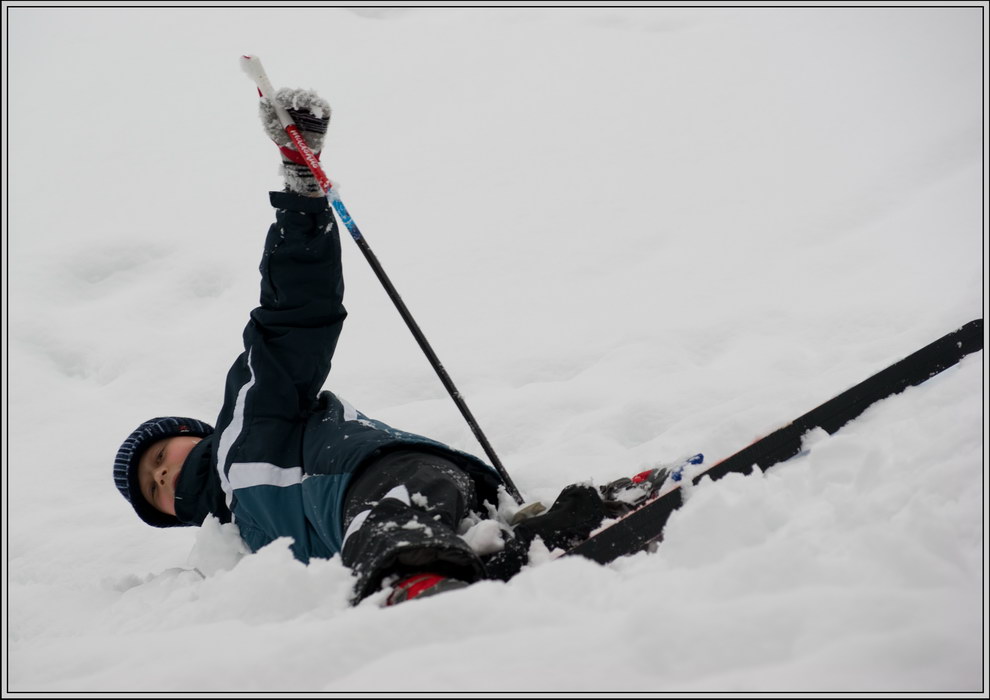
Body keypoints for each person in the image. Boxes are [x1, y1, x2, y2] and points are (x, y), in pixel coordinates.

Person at [113, 87, 613, 606]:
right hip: (408, 519)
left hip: (382, 482)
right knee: (488, 556)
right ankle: (585, 517)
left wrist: (301, 195)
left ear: (194, 433)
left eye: (159, 458)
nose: (164, 474)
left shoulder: (247, 426)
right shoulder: (246, 549)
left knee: (390, 534)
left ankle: (414, 586)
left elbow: (293, 321)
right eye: (155, 489)